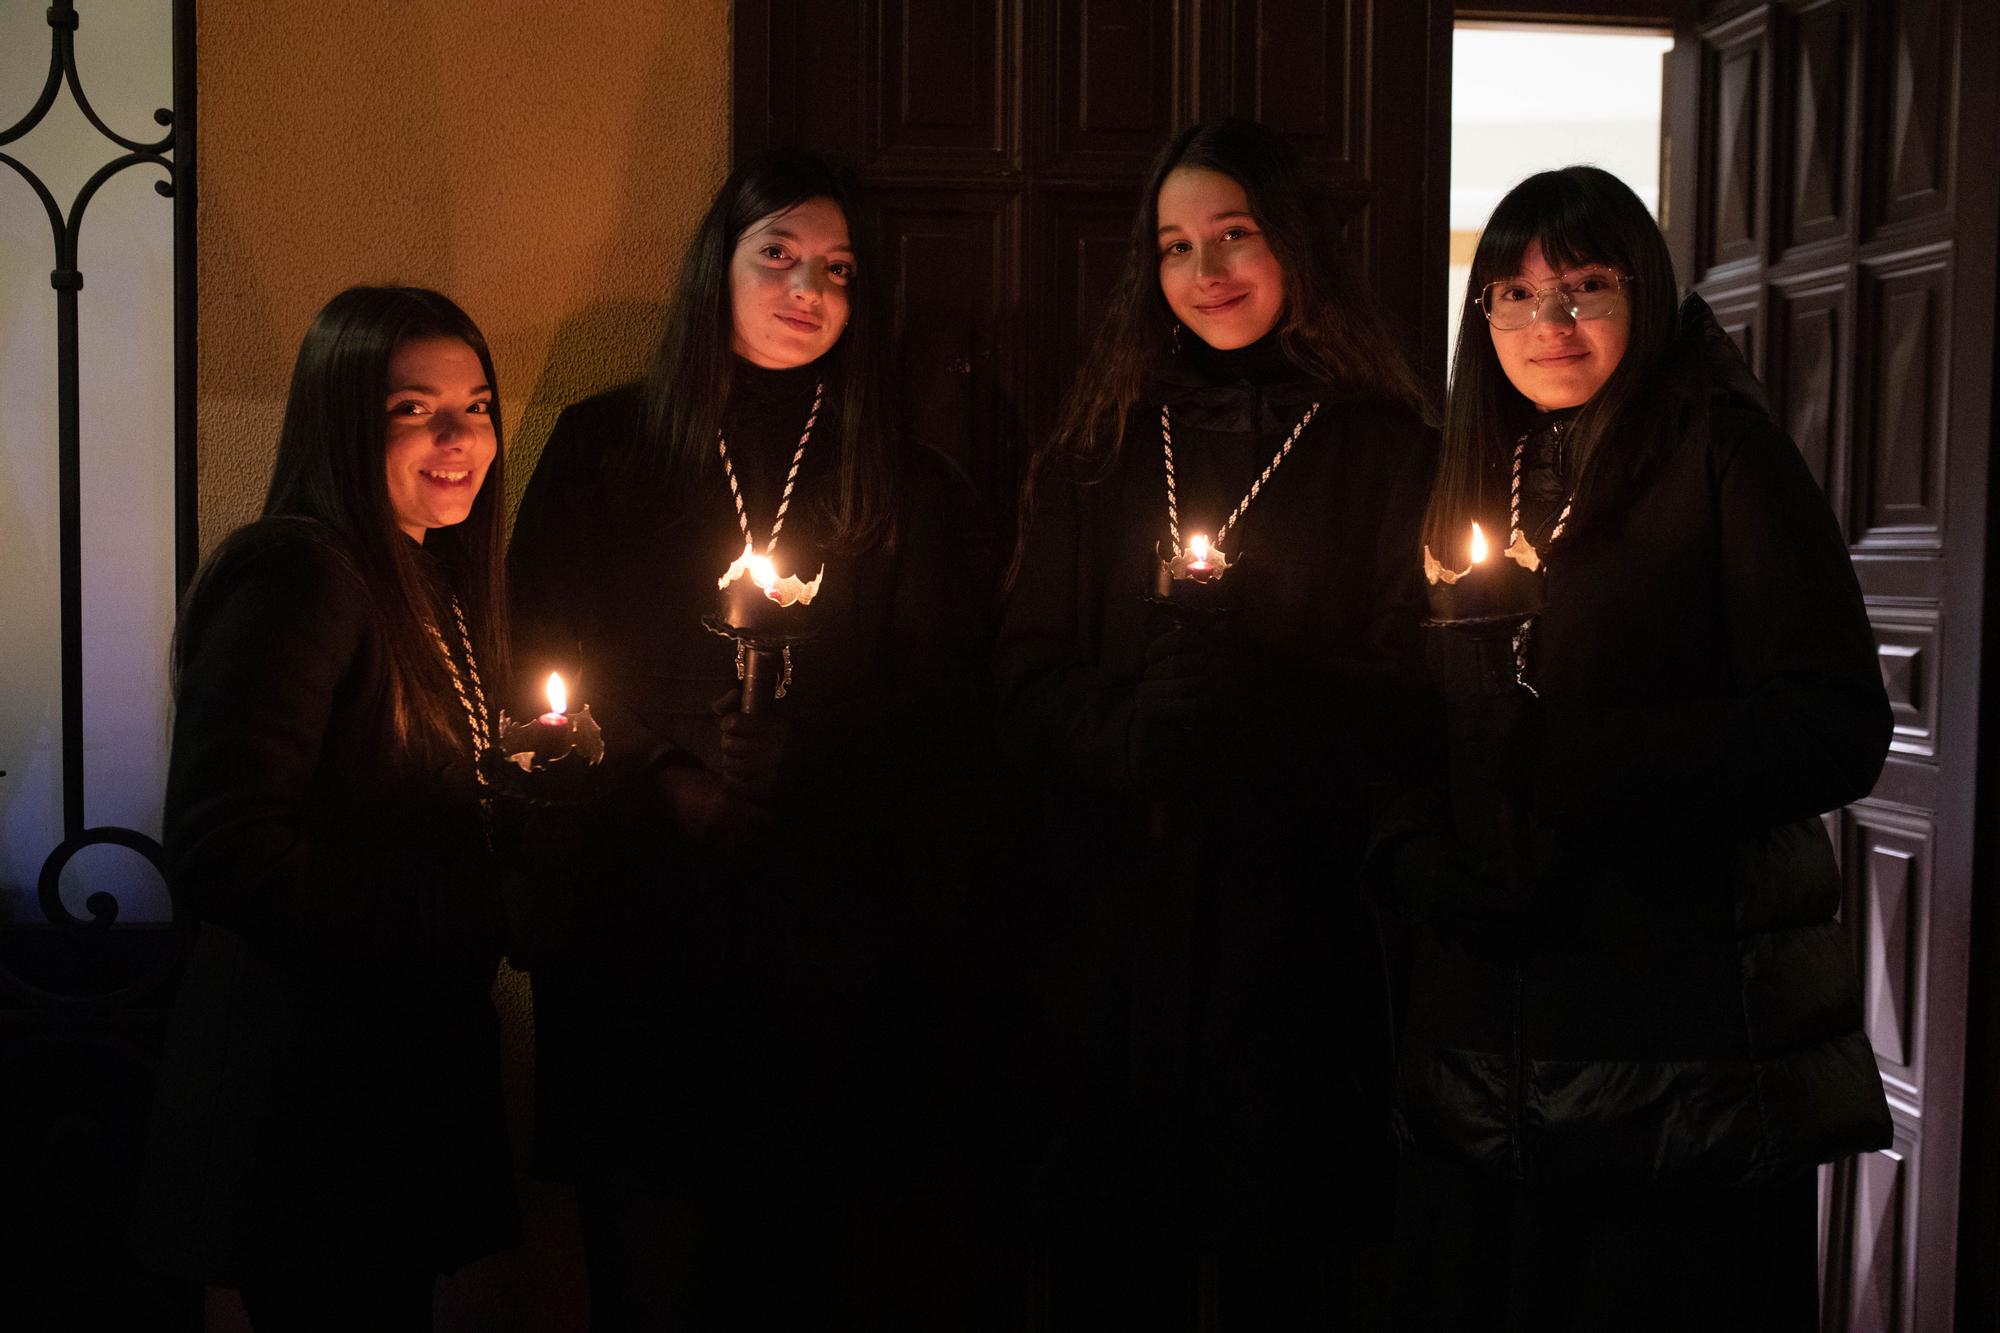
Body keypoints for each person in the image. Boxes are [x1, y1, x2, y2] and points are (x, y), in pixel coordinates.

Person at [1385, 165, 1892, 1331]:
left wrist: (1568, 762)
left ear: (1645, 291)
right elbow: (1399, 714)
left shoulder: (1722, 455)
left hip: (1679, 1050)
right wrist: (1415, 850)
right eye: (1510, 295)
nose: (1546, 322)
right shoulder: (1464, 467)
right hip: (1486, 1035)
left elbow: (1828, 726)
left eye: (1584, 285)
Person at [508, 146, 995, 1329]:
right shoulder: (605, 445)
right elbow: (536, 656)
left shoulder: (905, 481)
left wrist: (809, 767)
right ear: (712, 272)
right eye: (776, 255)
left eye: (835, 269)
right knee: (650, 1263)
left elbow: (946, 704)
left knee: (807, 1266)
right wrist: (669, 778)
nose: (805, 290)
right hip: (636, 933)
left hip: (825, 949)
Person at [995, 116, 1438, 1329]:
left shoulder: (1381, 448)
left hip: (1294, 933)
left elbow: (1421, 696)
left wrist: (1267, 687)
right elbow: (1024, 674)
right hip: (1115, 931)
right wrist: (1134, 733)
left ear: (1292, 242)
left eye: (1232, 234)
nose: (1205, 272)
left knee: (1277, 1267)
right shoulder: (1098, 446)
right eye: (1175, 246)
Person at [138, 287, 517, 1330]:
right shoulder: (300, 574)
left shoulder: (422, 571)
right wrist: (452, 908)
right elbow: (224, 844)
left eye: (476, 405)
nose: (458, 438)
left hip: (379, 1104)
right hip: (306, 1108)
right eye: (412, 408)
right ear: (340, 418)